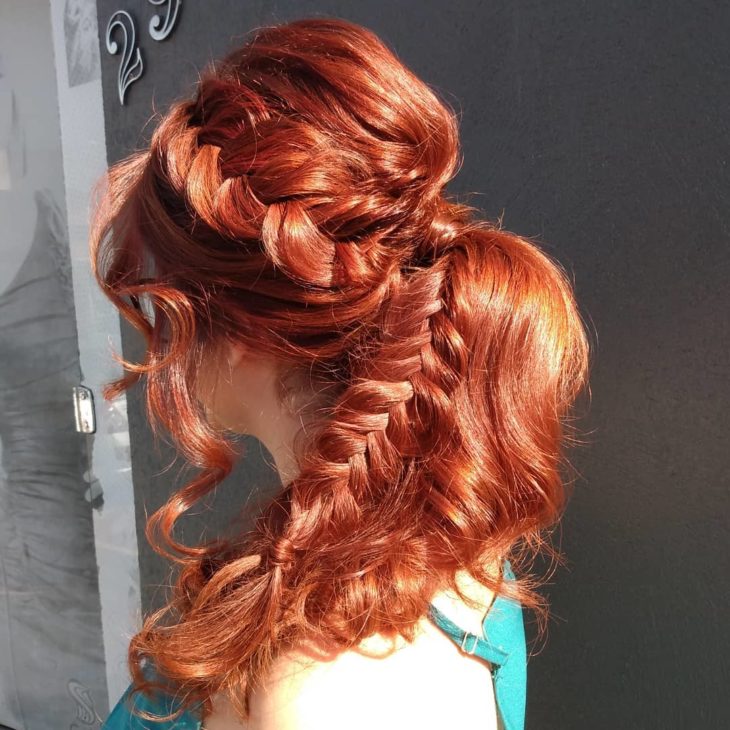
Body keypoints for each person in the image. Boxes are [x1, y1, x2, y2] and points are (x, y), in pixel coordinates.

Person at [91, 16, 591, 730]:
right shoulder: (447, 536)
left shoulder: (322, 700)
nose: (161, 345)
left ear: (240, 330)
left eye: (164, 304)